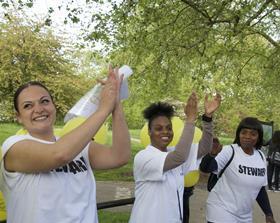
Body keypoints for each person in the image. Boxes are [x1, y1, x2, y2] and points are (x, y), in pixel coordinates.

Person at [0, 66, 131, 223]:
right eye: (28, 106)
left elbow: (119, 156)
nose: (39, 109)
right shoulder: (13, 146)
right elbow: (59, 155)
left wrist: (115, 105)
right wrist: (103, 109)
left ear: (54, 107)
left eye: (45, 101)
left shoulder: (76, 145)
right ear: (19, 117)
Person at [129, 92, 221, 223]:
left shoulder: (172, 153)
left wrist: (208, 118)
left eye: (168, 128)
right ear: (149, 132)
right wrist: (190, 119)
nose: (165, 132)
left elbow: (204, 148)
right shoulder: (144, 157)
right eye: (158, 128)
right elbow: (180, 157)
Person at [200, 117, 276, 223]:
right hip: (221, 210)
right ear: (238, 134)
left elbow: (260, 189)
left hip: (244, 215)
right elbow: (206, 169)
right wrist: (211, 155)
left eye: (253, 134)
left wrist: (268, 214)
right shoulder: (229, 151)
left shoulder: (260, 156)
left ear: (258, 137)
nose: (247, 137)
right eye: (244, 132)